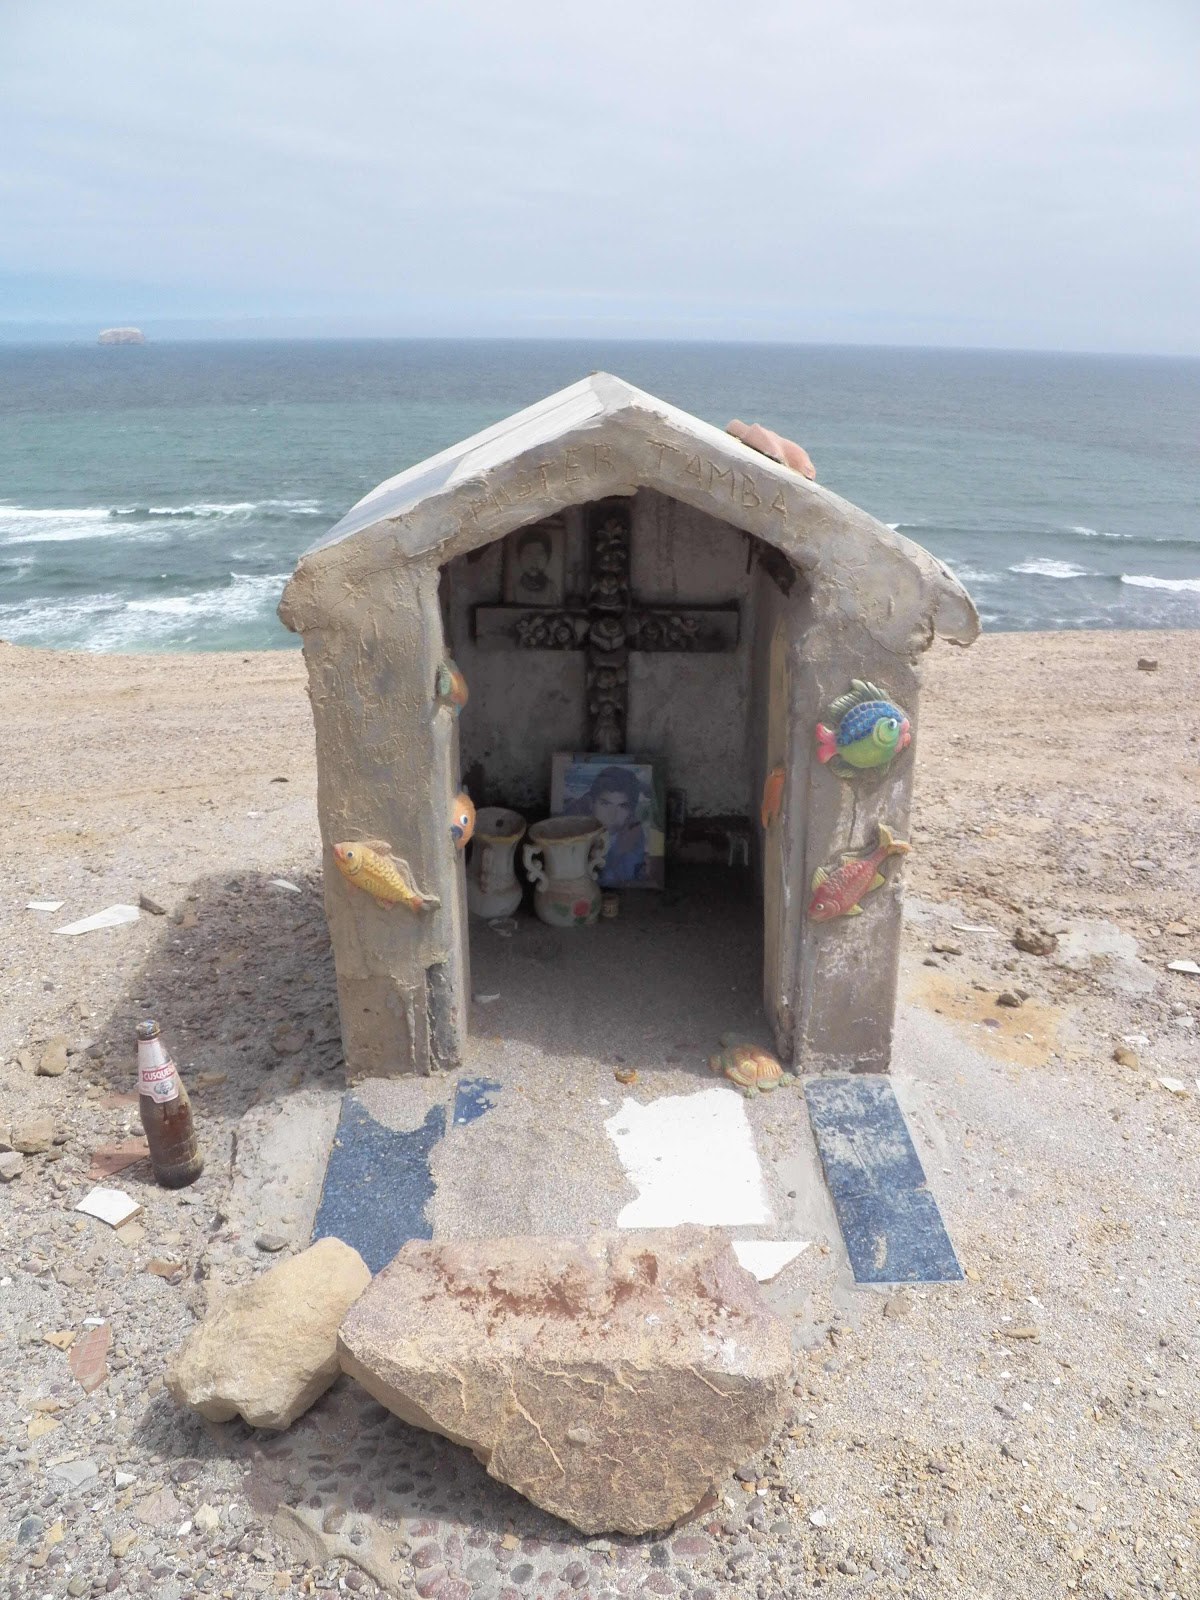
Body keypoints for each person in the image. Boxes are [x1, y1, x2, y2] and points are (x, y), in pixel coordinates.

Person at [574, 765, 649, 884]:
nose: (612, 815)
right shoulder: (573, 829)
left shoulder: (635, 838)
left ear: (630, 811)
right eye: (605, 804)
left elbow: (627, 877)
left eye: (622, 806)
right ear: (591, 804)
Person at [513, 527, 556, 602]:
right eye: (528, 554)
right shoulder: (513, 589)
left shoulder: (553, 589)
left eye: (540, 554)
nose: (534, 560)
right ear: (519, 557)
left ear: (548, 557)